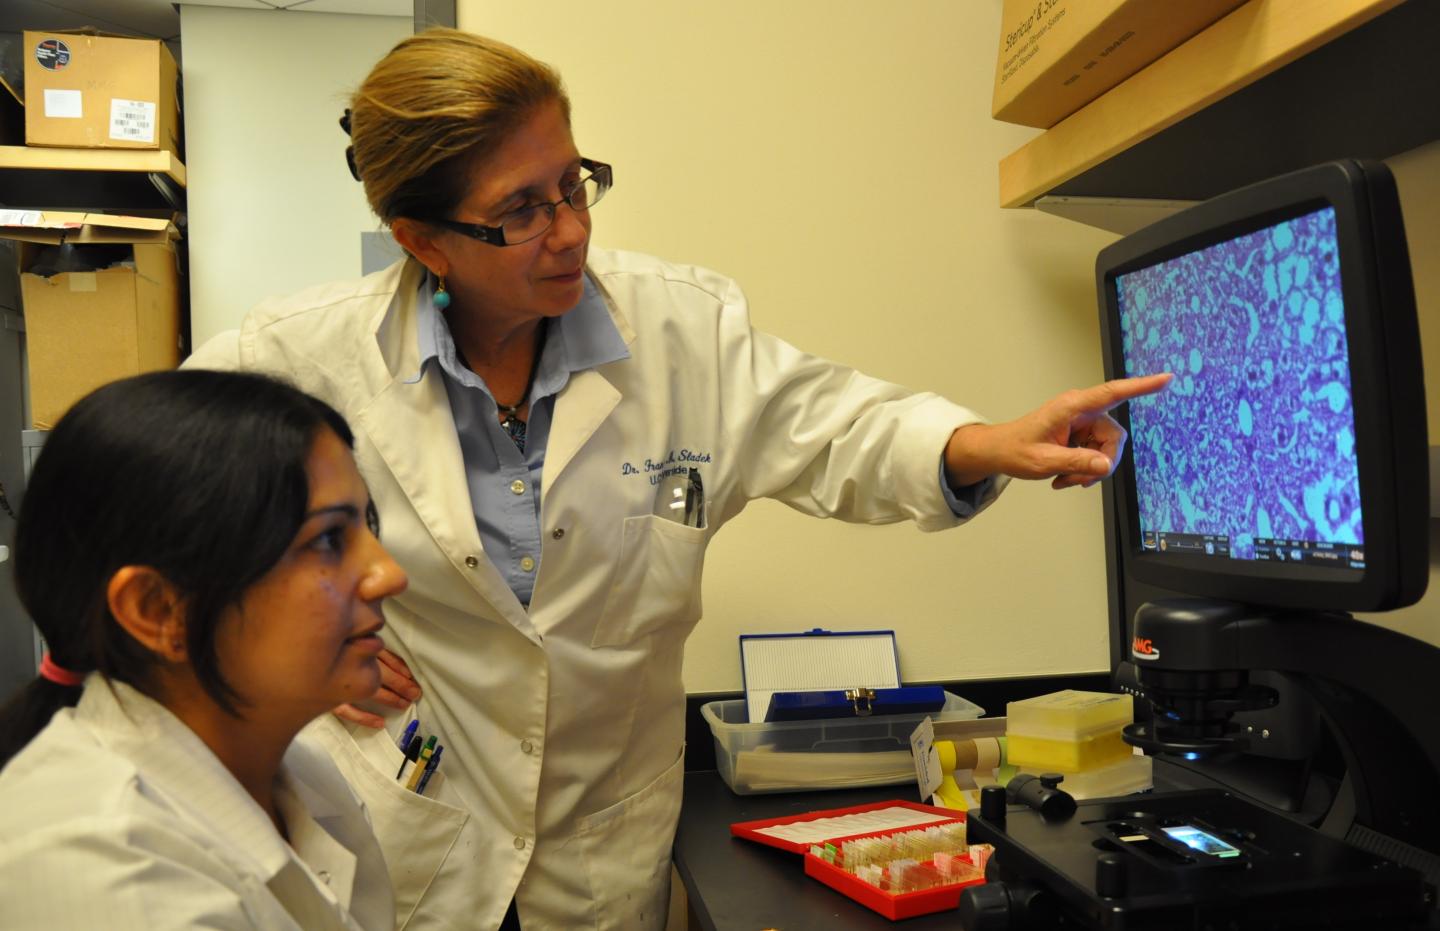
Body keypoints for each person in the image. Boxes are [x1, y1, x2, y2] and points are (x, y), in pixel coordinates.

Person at [186, 27, 1171, 930]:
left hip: (605, 851)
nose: (569, 229)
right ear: (420, 238)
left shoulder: (678, 329)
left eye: (575, 184)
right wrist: (282, 653)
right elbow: (146, 514)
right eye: (521, 211)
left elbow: (831, 428)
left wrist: (983, 442)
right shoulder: (302, 358)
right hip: (413, 840)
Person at [0, 370, 408, 931]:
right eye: (328, 539)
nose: (388, 574)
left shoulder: (298, 773)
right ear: (158, 609)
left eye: (368, 525)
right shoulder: (105, 877)